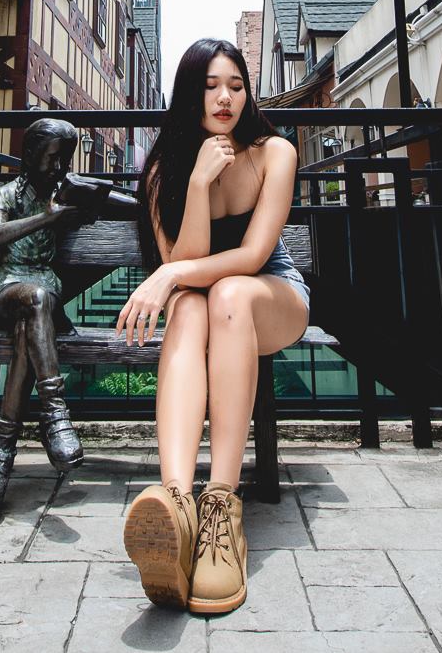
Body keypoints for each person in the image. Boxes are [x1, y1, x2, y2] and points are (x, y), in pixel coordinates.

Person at [115, 39, 310, 615]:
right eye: (210, 85)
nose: (225, 97)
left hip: (272, 297)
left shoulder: (275, 152)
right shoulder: (162, 171)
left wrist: (169, 274)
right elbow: (188, 257)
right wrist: (198, 182)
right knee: (192, 305)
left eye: (236, 85)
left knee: (221, 293)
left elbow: (251, 257)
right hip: (206, 305)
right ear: (189, 93)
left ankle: (221, 506)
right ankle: (177, 503)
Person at [0, 116, 135, 512]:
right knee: (33, 305)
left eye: (65, 160)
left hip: (44, 288)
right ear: (30, 155)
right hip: (8, 287)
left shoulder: (66, 190)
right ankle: (54, 415)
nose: (59, 168)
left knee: (37, 306)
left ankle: (1, 451)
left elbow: (122, 204)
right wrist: (49, 216)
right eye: (52, 159)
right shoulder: (6, 194)